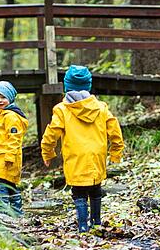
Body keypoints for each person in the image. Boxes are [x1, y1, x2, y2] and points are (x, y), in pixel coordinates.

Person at [41, 65, 124, 233]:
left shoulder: (62, 110)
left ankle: (83, 226)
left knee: (78, 193)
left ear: (66, 86)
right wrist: (116, 152)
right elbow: (115, 130)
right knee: (95, 189)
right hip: (96, 156)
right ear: (88, 86)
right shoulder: (101, 107)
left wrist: (48, 152)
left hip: (75, 157)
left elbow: (51, 133)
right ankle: (97, 222)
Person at [0, 81, 28, 216]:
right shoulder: (2, 114)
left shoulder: (11, 117)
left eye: (3, 97)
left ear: (10, 98)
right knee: (9, 185)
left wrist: (9, 156)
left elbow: (14, 138)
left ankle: (0, 212)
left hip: (5, 158)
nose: (0, 100)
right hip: (0, 157)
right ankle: (17, 213)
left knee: (0, 186)